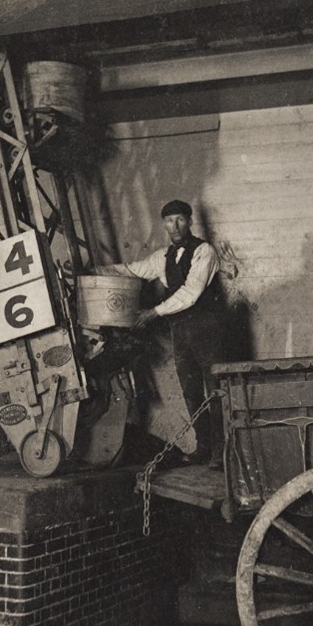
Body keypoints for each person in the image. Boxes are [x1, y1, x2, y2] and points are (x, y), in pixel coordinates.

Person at [96, 199, 226, 469]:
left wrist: (153, 312)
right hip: (179, 330)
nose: (174, 226)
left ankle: (223, 453)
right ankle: (204, 448)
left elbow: (191, 293)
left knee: (216, 391)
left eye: (180, 219)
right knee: (191, 392)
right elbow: (133, 270)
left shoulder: (205, 251)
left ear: (190, 221)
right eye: (169, 220)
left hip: (205, 328)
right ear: (164, 224)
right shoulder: (162, 257)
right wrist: (94, 272)